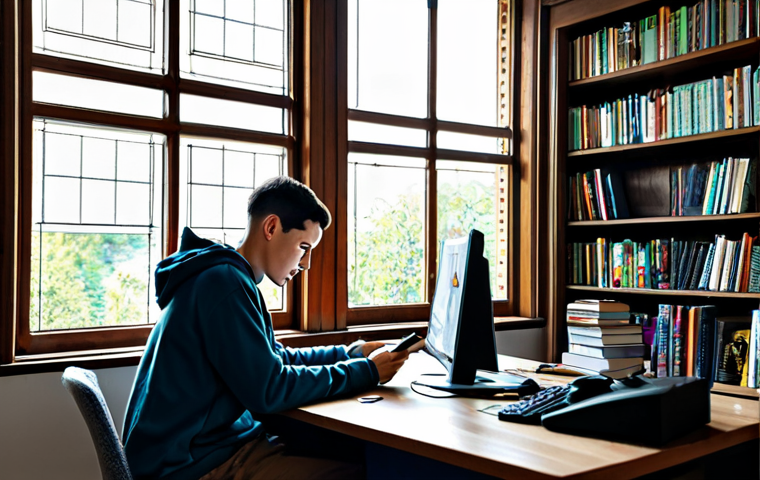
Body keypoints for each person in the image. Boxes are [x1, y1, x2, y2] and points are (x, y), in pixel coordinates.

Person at [122, 176, 409, 480]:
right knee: (362, 471)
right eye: (303, 247)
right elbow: (269, 388)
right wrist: (366, 372)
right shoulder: (224, 284)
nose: (307, 264)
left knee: (338, 449)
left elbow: (274, 358)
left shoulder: (225, 277)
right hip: (189, 465)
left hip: (199, 449)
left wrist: (349, 352)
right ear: (271, 228)